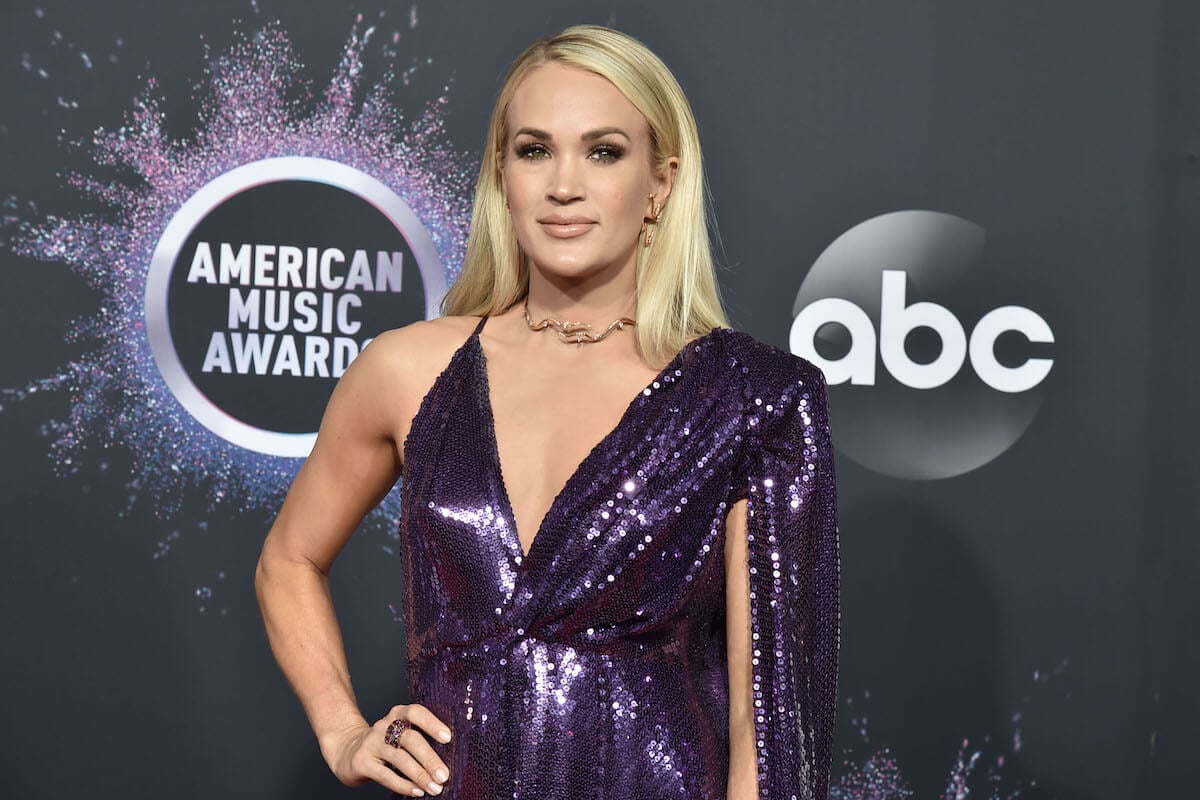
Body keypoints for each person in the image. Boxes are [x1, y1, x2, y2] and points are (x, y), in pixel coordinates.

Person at [255, 23, 839, 800]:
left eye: (604, 152)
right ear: (502, 174)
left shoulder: (753, 396)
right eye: (535, 150)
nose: (564, 184)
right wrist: (342, 730)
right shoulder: (406, 370)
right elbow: (287, 562)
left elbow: (764, 718)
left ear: (660, 183)